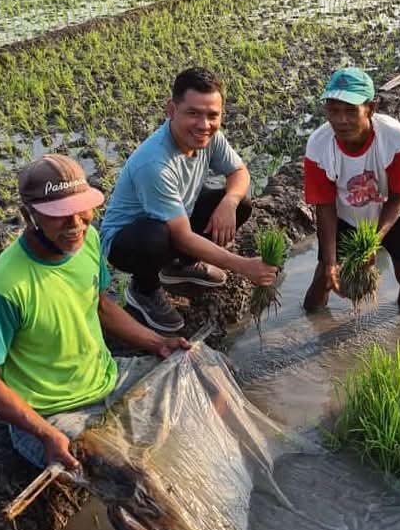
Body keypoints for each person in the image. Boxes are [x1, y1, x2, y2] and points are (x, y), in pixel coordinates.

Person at [0, 154, 190, 475]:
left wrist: (158, 343)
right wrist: (45, 433)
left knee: (201, 377)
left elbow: (101, 307)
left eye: (81, 209)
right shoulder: (2, 288)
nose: (75, 224)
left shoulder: (88, 242)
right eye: (59, 215)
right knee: (132, 477)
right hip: (53, 412)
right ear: (28, 216)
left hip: (108, 378)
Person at [100, 67, 277, 333]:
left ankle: (181, 266)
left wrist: (229, 203)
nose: (204, 125)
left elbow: (239, 172)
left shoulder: (210, 136)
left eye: (212, 115)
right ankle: (144, 289)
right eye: (193, 113)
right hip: (129, 240)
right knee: (157, 237)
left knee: (240, 204)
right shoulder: (154, 163)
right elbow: (180, 236)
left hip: (176, 216)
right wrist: (243, 266)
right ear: (172, 110)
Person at [303, 67, 400, 311]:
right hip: (345, 214)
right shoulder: (318, 145)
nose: (341, 120)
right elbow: (324, 206)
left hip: (393, 213)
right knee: (323, 279)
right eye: (334, 111)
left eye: (350, 110)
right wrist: (330, 262)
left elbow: (398, 198)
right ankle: (311, 323)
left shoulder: (395, 138)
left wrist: (372, 244)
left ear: (371, 108)